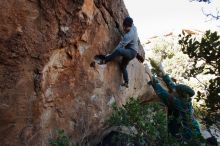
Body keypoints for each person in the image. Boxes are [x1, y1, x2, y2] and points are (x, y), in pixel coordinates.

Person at [148, 63, 202, 143]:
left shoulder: (179, 103)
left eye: (176, 91)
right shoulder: (184, 98)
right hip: (192, 129)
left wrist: (152, 78)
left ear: (180, 95)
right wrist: (164, 73)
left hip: (187, 133)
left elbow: (163, 93)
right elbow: (173, 86)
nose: (174, 91)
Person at [99, 16, 139, 88]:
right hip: (133, 52)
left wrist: (110, 54)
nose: (124, 29)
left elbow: (119, 47)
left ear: (128, 27)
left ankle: (105, 60)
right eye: (123, 27)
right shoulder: (133, 27)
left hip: (131, 52)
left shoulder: (129, 36)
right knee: (123, 66)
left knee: (119, 51)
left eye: (125, 28)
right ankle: (126, 82)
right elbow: (129, 19)